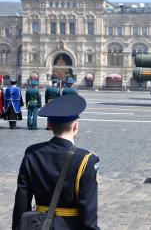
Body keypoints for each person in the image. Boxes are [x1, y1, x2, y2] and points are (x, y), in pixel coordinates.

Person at [12, 94, 100, 230]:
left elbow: (22, 201)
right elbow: (88, 214)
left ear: (49, 125)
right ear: (76, 125)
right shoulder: (86, 160)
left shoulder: (32, 153)